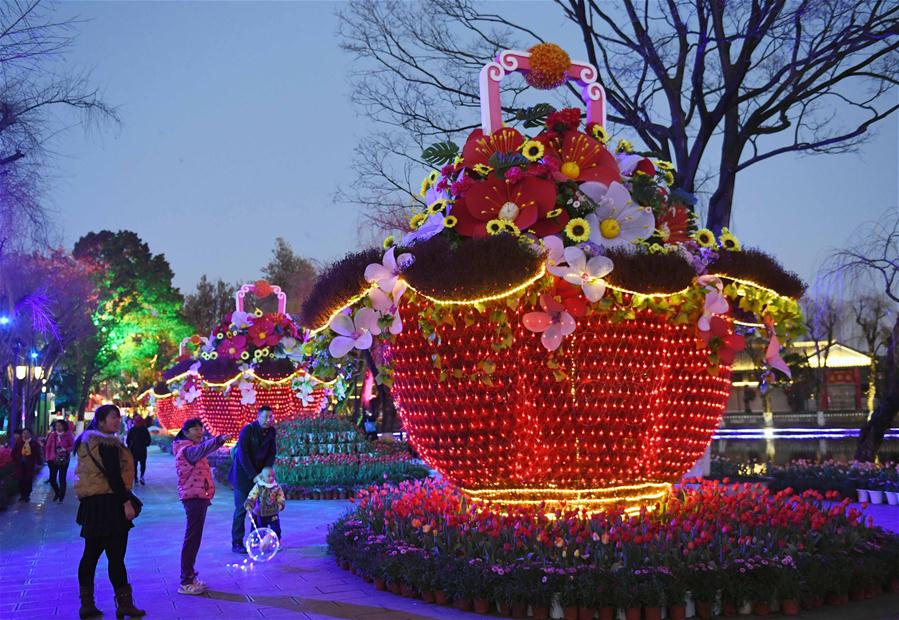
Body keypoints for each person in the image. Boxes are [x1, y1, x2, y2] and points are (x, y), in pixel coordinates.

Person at [74, 404, 145, 619]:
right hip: (111, 505)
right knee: (116, 557)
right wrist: (126, 503)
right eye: (113, 417)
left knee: (90, 555)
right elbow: (114, 477)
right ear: (101, 421)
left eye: (118, 417)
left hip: (92, 506)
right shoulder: (107, 444)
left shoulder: (86, 441)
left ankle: (87, 605)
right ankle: (125, 604)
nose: (117, 421)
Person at [172, 418, 229, 595]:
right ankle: (186, 581)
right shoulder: (187, 450)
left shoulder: (190, 448)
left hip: (198, 496)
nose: (199, 431)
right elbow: (203, 449)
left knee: (194, 538)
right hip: (193, 497)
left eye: (201, 428)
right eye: (195, 429)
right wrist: (219, 440)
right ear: (186, 432)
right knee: (192, 538)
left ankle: (190, 576)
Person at [229, 406, 276, 553]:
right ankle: (237, 543)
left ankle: (255, 539)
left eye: (270, 417)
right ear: (258, 417)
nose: (268, 420)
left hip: (260, 476)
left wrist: (265, 472)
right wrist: (253, 475)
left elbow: (271, 453)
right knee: (242, 509)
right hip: (243, 476)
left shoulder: (271, 432)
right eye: (265, 417)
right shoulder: (248, 430)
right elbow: (243, 455)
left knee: (258, 510)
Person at [243, 466, 286, 542]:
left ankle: (276, 541)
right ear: (263, 477)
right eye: (269, 476)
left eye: (273, 476)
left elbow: (280, 496)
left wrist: (280, 504)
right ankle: (259, 542)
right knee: (260, 528)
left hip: (273, 512)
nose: (271, 478)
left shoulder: (276, 487)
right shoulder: (259, 486)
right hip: (260, 512)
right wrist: (249, 503)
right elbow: (253, 495)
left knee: (276, 528)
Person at [45, 420, 75, 502]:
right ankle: (57, 492)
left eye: (60, 425)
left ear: (64, 426)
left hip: (64, 459)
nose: (58, 427)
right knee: (52, 479)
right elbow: (48, 446)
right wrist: (47, 458)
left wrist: (65, 449)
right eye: (56, 425)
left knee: (62, 478)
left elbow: (73, 446)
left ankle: (61, 497)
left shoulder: (68, 435)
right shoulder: (52, 435)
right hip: (52, 459)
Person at [12, 428, 42, 502]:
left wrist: (39, 463)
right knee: (21, 480)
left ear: (30, 434)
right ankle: (22, 495)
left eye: (27, 433)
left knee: (28, 480)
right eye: (24, 433)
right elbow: (13, 453)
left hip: (29, 465)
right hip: (20, 465)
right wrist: (15, 459)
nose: (25, 435)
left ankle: (27, 495)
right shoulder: (18, 442)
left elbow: (37, 454)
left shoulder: (33, 443)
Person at [126, 415, 151, 485]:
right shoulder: (144, 429)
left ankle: (136, 478)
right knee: (142, 464)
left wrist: (130, 447)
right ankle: (141, 476)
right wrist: (145, 444)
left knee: (135, 464)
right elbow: (148, 440)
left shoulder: (132, 430)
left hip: (134, 450)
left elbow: (128, 440)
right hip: (142, 449)